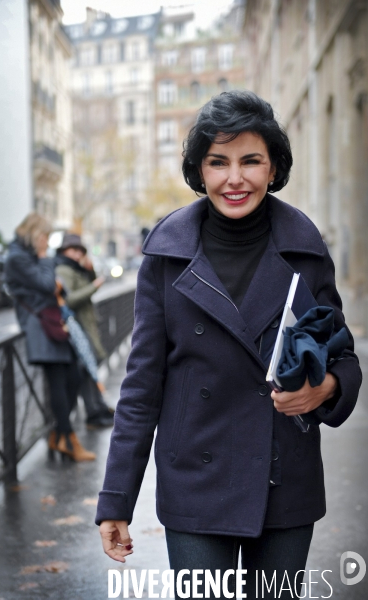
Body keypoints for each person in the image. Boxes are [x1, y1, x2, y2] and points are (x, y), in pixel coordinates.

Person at [96, 91, 362, 598]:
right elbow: (141, 385)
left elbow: (343, 356)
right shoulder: (166, 253)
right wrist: (116, 499)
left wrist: (325, 387)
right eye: (218, 162)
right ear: (200, 169)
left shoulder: (304, 245)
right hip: (196, 481)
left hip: (283, 480)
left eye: (250, 161)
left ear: (273, 167)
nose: (234, 178)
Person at [5, 214, 96, 462]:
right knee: (57, 381)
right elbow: (48, 284)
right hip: (39, 326)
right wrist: (45, 259)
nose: (45, 241)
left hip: (52, 322)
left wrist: (52, 279)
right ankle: (67, 439)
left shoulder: (27, 256)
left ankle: (59, 434)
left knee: (74, 375)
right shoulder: (17, 258)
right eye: (44, 235)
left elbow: (59, 287)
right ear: (34, 233)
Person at [55, 232, 114, 428]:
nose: (78, 254)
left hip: (86, 325)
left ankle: (99, 408)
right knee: (87, 369)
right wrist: (94, 286)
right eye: (74, 250)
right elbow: (69, 299)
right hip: (77, 327)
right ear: (64, 251)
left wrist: (91, 272)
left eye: (80, 250)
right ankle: (93, 412)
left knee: (91, 367)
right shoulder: (64, 269)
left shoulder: (76, 268)